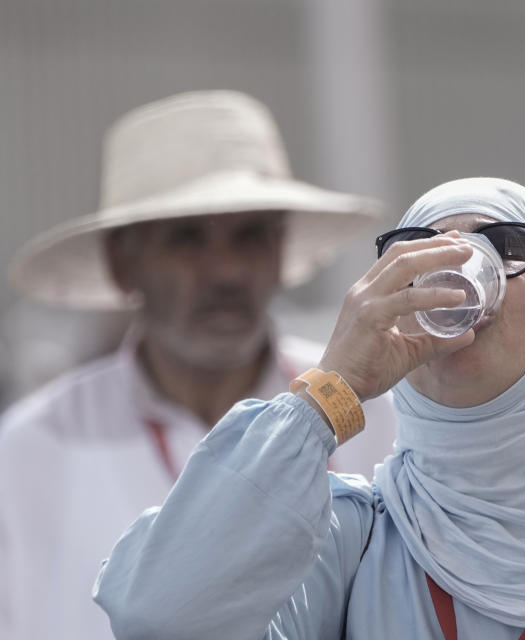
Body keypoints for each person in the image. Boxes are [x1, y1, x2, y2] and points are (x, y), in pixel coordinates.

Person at [93, 177, 525, 640]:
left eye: (505, 246)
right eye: (417, 251)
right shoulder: (348, 543)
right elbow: (162, 619)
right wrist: (329, 389)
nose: (456, 273)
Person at [0, 90, 397, 639]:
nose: (226, 271)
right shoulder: (28, 453)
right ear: (123, 263)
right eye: (187, 238)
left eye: (250, 235)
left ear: (280, 251)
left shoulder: (378, 418)